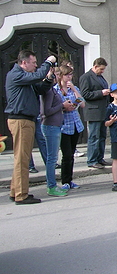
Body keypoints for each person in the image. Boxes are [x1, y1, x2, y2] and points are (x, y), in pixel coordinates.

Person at [6, 50, 56, 204]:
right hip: (21, 120)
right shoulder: (16, 74)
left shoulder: (24, 78)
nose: (35, 66)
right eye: (33, 62)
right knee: (22, 158)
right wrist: (48, 62)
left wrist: (48, 79)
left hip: (26, 120)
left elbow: (40, 88)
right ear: (24, 63)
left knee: (22, 157)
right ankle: (21, 195)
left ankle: (16, 191)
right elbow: (36, 76)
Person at [41, 69, 71, 197]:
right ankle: (51, 186)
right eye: (55, 75)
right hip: (50, 126)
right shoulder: (48, 91)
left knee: (53, 157)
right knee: (51, 158)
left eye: (58, 75)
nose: (58, 77)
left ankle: (53, 185)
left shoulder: (53, 90)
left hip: (56, 125)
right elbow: (46, 111)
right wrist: (62, 105)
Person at [55, 65, 84, 190]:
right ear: (61, 76)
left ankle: (70, 179)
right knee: (66, 155)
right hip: (63, 125)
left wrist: (74, 90)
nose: (69, 77)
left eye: (71, 75)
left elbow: (82, 104)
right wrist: (63, 106)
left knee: (71, 154)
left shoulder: (74, 88)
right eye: (67, 75)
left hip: (75, 123)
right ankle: (65, 181)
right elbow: (54, 106)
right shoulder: (56, 89)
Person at [80, 57, 111, 169]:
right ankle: (92, 160)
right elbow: (85, 94)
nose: (102, 71)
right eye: (101, 69)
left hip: (103, 110)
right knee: (94, 136)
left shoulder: (100, 77)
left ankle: (99, 158)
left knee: (102, 136)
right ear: (96, 66)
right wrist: (101, 93)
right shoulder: (86, 77)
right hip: (93, 111)